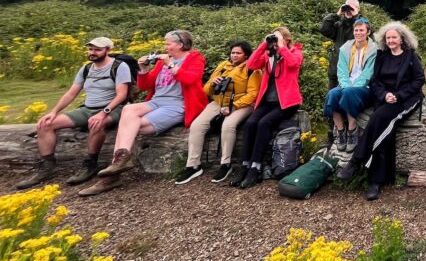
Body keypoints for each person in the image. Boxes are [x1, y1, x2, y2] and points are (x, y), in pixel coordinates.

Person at [80, 30, 207, 196]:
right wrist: (143, 68)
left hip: (177, 104)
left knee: (129, 126)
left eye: (168, 43)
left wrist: (170, 64)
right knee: (128, 110)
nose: (165, 46)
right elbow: (146, 85)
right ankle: (122, 160)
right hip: (156, 101)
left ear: (180, 45)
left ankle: (112, 176)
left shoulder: (195, 58)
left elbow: (190, 79)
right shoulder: (163, 62)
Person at [15, 37, 131, 189]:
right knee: (45, 124)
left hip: (113, 108)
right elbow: (71, 93)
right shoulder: (86, 69)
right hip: (87, 108)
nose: (92, 53)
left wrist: (103, 113)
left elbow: (122, 94)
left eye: (97, 50)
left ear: (108, 50)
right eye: (90, 49)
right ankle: (47, 166)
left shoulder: (119, 66)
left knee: (97, 124)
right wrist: (54, 112)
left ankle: (90, 163)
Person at [337, 22, 425, 201]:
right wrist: (385, 95)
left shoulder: (411, 57)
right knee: (384, 130)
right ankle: (378, 180)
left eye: (394, 37)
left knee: (379, 119)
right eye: (388, 38)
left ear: (402, 39)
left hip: (406, 100)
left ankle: (357, 161)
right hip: (385, 99)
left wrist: (398, 96)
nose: (391, 40)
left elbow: (418, 80)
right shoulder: (382, 56)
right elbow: (375, 81)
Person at [177, 41, 262, 185]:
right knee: (197, 125)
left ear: (246, 55)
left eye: (238, 53)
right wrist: (212, 84)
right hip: (218, 102)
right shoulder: (223, 66)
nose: (234, 55)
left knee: (228, 125)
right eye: (233, 53)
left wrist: (234, 106)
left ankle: (225, 164)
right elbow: (206, 90)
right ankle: (193, 165)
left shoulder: (252, 69)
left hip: (243, 103)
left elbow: (253, 94)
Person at [233, 27, 304, 189]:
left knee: (264, 123)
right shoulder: (268, 55)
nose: (274, 42)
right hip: (268, 101)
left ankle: (255, 167)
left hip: (288, 102)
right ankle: (245, 165)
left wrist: (281, 47)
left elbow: (293, 64)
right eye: (273, 39)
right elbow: (250, 65)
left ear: (286, 39)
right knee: (250, 123)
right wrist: (263, 45)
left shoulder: (295, 52)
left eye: (277, 38)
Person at [324, 18, 378, 152]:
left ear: (368, 32)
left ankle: (352, 131)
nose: (358, 33)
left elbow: (368, 74)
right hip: (346, 84)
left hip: (365, 87)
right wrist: (345, 85)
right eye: (356, 30)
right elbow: (341, 70)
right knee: (332, 94)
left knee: (349, 93)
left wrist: (351, 88)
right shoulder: (346, 47)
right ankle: (341, 131)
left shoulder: (373, 49)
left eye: (361, 30)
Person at [319, 0, 364, 90]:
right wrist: (337, 14)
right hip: (335, 72)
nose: (349, 10)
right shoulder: (339, 25)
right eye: (347, 7)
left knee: (348, 101)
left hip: (353, 73)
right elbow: (323, 29)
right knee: (332, 101)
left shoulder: (361, 26)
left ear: (358, 9)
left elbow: (369, 31)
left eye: (352, 8)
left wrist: (356, 16)